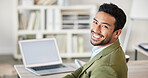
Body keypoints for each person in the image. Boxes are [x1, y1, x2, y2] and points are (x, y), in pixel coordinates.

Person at [63, 3, 128, 78]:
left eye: (104, 26)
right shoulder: (106, 49)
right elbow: (82, 70)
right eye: (95, 22)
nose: (96, 30)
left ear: (117, 33)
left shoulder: (106, 68)